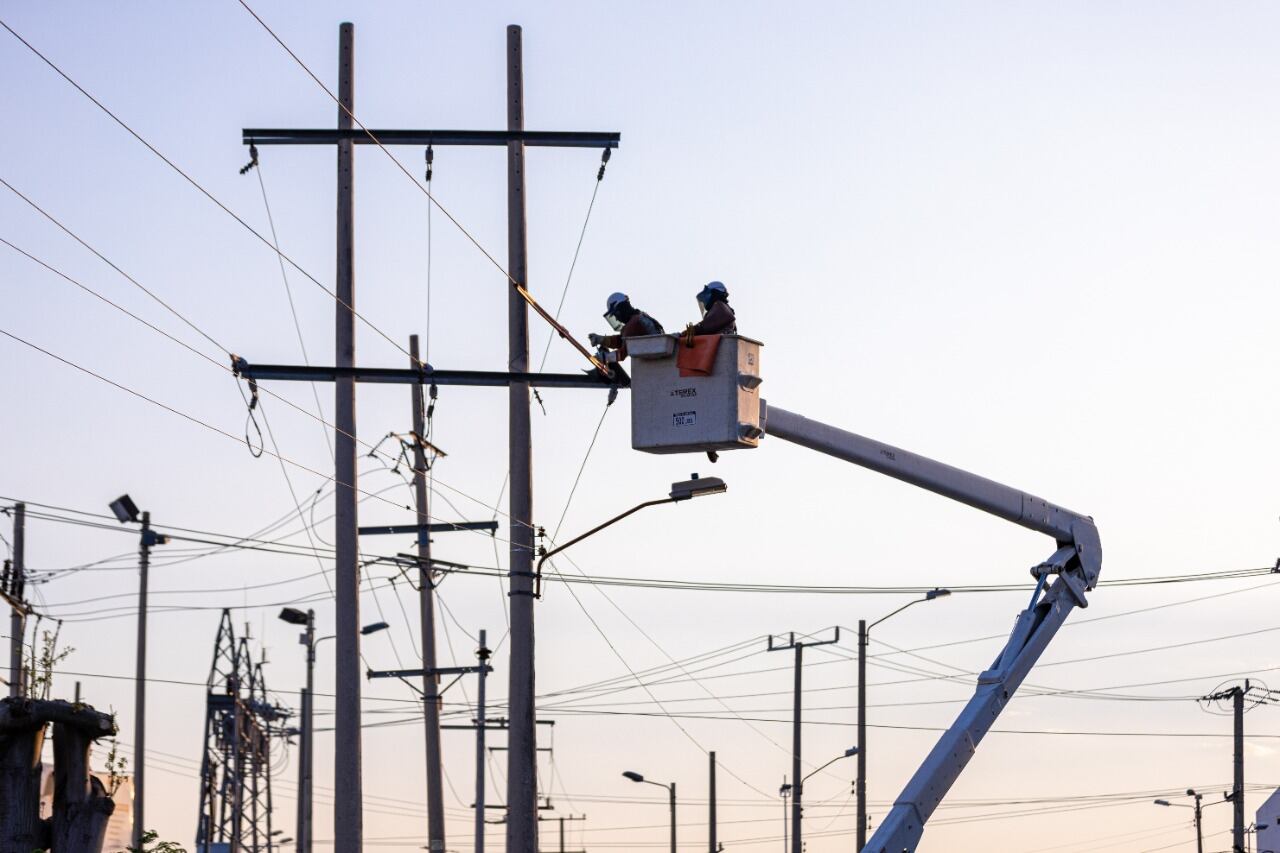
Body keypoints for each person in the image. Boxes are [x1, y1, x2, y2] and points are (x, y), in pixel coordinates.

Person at [587, 292, 665, 361]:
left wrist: (605, 357)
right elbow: (622, 341)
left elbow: (623, 352)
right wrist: (602, 340)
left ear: (621, 309)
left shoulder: (634, 323)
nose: (617, 319)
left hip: (653, 363)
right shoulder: (639, 317)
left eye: (616, 314)